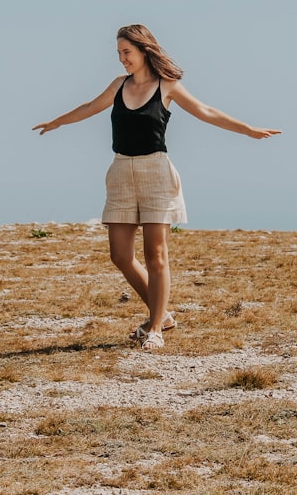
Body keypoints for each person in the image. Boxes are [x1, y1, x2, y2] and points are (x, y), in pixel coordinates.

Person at [32, 24, 281, 351]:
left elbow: (205, 111)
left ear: (143, 50)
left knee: (156, 254)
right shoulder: (118, 85)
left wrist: (247, 129)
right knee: (120, 254)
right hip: (121, 171)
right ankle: (161, 315)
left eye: (127, 52)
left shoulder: (168, 86)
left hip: (156, 173)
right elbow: (89, 107)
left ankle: (156, 328)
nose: (122, 59)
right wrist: (57, 121)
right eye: (119, 53)